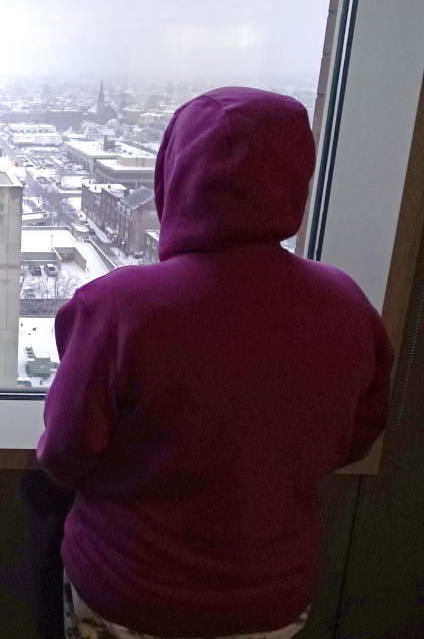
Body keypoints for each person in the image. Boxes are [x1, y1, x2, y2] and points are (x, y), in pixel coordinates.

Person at [37, 87, 392, 639]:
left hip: (129, 589)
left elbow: (64, 452)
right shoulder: (345, 302)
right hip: (271, 598)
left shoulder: (119, 306)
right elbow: (355, 437)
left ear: (173, 174)